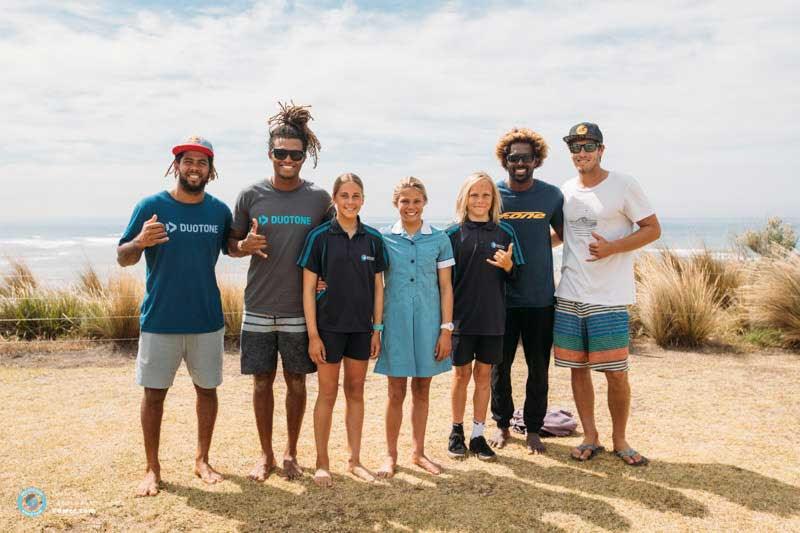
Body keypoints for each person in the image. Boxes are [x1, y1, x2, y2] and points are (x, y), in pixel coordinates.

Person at [117, 136, 232, 497]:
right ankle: (152, 469)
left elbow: (232, 246)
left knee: (207, 391)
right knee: (154, 395)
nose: (194, 168)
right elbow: (123, 256)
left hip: (206, 319)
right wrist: (140, 243)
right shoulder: (151, 206)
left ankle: (202, 459)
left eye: (202, 162)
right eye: (188, 161)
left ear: (211, 171)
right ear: (176, 166)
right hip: (160, 319)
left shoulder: (219, 211)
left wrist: (245, 247)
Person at [227, 103, 333, 481]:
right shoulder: (250, 194)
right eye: (280, 153)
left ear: (306, 156)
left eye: (295, 153)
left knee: (296, 382)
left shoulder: (320, 199)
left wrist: (327, 278)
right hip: (257, 305)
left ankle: (290, 453)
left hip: (299, 309)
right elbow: (230, 243)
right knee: (261, 382)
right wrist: (244, 247)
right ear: (269, 153)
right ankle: (266, 455)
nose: (287, 159)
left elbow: (333, 245)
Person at [554, 122, 661, 466]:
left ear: (601, 149)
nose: (581, 153)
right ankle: (590, 436)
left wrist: (614, 247)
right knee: (577, 368)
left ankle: (620, 440)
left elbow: (652, 229)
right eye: (575, 147)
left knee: (616, 372)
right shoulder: (566, 190)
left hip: (609, 297)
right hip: (570, 293)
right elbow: (561, 236)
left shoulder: (624, 184)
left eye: (588, 146)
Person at [298, 173, 388, 487]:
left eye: (356, 196)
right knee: (327, 393)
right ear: (335, 199)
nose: (350, 201)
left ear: (363, 199)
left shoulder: (374, 239)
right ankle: (322, 462)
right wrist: (313, 335)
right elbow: (308, 289)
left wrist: (377, 329)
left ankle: (355, 459)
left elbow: (379, 288)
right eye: (344, 195)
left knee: (356, 392)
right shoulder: (319, 237)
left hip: (362, 331)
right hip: (328, 330)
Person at [488, 128, 564, 454]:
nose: (519, 163)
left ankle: (533, 428)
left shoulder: (551, 196)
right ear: (505, 160)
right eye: (513, 157)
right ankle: (502, 425)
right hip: (499, 299)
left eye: (526, 158)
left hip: (539, 298)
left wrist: (535, 250)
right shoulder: (492, 193)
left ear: (537, 160)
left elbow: (562, 234)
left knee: (538, 367)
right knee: (499, 366)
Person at [374, 177, 455, 478]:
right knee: (395, 391)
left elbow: (446, 288)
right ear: (396, 204)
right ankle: (389, 455)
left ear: (425, 203)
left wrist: (446, 329)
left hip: (429, 323)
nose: (410, 206)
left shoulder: (439, 239)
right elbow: (377, 286)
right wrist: (376, 328)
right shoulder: (382, 238)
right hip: (393, 323)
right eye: (404, 201)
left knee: (422, 389)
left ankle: (418, 453)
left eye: (416, 201)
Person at [445, 172, 525, 461]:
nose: (480, 200)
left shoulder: (505, 233)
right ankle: (456, 432)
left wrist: (508, 267)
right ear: (465, 198)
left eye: (486, 195)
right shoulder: (452, 235)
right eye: (474, 195)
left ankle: (478, 436)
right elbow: (440, 283)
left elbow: (518, 276)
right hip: (461, 320)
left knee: (483, 377)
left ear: (494, 199)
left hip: (493, 319)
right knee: (460, 374)